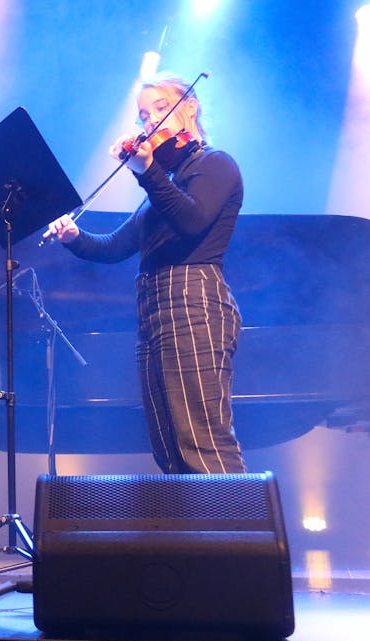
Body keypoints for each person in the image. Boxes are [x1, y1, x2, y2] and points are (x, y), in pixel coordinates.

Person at [44, 72, 246, 474]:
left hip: (193, 300)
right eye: (142, 115)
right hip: (154, 307)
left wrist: (147, 170)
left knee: (202, 440)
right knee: (169, 448)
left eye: (158, 108)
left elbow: (191, 220)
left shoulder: (214, 164)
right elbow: (116, 247)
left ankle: (241, 535)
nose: (149, 121)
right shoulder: (163, 186)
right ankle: (193, 536)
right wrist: (74, 236)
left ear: (189, 107)